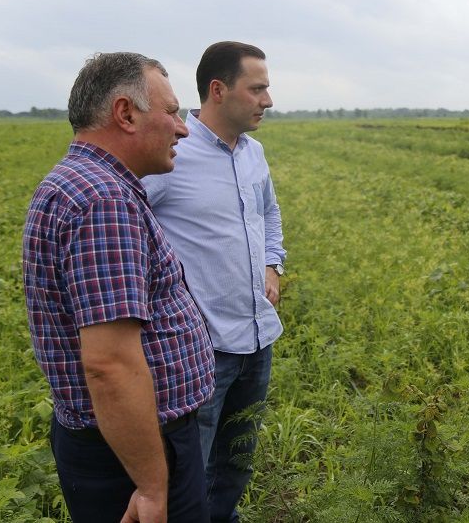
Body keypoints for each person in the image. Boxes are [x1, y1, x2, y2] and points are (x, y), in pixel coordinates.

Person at [23, 52, 215, 523]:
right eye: (171, 112)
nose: (183, 129)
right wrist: (150, 487)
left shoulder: (80, 183)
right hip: (131, 454)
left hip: (117, 444)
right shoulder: (104, 200)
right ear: (126, 114)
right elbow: (110, 364)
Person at [142, 41, 286, 523]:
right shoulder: (172, 154)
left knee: (236, 461)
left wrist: (272, 265)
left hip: (257, 338)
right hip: (200, 347)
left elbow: (269, 213)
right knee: (191, 467)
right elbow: (129, 229)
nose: (267, 100)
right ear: (219, 90)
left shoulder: (254, 153)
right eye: (257, 88)